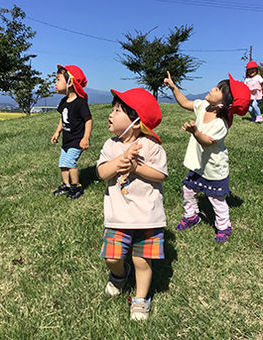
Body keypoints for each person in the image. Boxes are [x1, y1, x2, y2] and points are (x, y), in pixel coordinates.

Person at [96, 88, 167, 321]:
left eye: (118, 110)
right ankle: (119, 274)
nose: (111, 114)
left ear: (136, 122)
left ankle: (140, 298)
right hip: (118, 217)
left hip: (148, 216)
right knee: (112, 258)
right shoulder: (111, 145)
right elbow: (102, 172)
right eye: (112, 109)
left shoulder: (152, 147)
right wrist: (121, 159)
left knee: (142, 260)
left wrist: (136, 168)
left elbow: (161, 175)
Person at [164, 71, 250, 242]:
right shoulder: (204, 106)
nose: (212, 88)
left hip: (214, 167)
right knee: (188, 189)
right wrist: (173, 88)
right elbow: (185, 102)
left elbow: (206, 142)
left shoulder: (220, 123)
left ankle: (224, 227)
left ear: (225, 104)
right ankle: (191, 216)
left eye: (218, 89)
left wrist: (195, 131)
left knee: (216, 199)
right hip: (199, 164)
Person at [51, 64, 92, 199]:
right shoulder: (64, 101)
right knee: (62, 164)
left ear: (70, 81)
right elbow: (62, 119)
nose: (55, 83)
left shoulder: (80, 103)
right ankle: (66, 185)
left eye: (58, 79)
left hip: (76, 140)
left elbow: (88, 120)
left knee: (70, 163)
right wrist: (57, 132)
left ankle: (76, 186)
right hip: (66, 140)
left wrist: (85, 138)